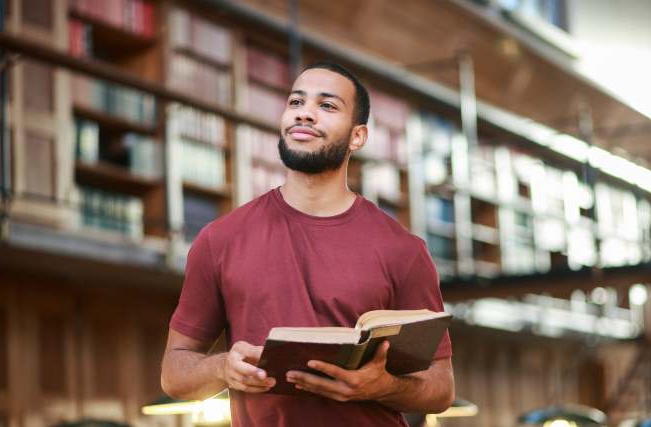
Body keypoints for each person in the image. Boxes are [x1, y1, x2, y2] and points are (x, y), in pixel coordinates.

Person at [161, 61, 454, 426]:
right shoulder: (219, 240)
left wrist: (379, 386)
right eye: (296, 102)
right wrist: (223, 368)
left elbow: (441, 388)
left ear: (357, 137)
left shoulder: (404, 250)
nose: (305, 114)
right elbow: (174, 372)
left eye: (327, 106)